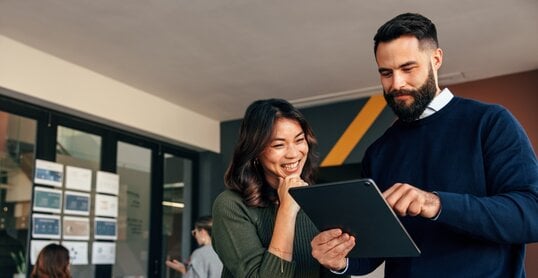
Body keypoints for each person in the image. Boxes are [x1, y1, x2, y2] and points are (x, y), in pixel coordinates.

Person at [311, 12, 538, 277]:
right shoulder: (378, 152)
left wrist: (436, 204)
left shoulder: (489, 122)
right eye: (386, 73)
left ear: (436, 59)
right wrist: (340, 260)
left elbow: (531, 215)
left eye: (408, 68)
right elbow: (372, 251)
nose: (396, 84)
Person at [212, 98, 346, 277]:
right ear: (256, 151)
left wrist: (338, 266)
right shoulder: (231, 205)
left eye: (299, 140)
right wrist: (287, 209)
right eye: (279, 145)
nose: (293, 154)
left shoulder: (319, 200)